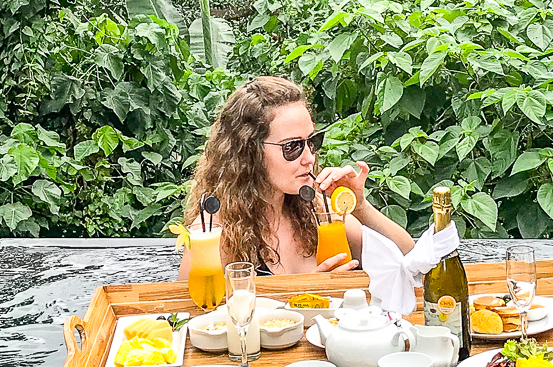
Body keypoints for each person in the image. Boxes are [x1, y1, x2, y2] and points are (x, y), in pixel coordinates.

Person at [178, 75, 415, 279]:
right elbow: (191, 316)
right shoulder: (217, 231)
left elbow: (410, 260)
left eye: (312, 142)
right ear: (249, 151)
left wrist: (361, 207)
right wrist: (302, 296)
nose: (309, 158)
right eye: (292, 147)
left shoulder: (316, 210)